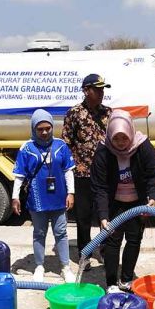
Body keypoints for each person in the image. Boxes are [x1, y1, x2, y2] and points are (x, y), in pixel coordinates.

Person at [91, 109, 155, 293]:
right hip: (114, 203)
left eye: (124, 138)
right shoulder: (103, 150)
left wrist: (152, 198)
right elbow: (100, 187)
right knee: (112, 241)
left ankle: (126, 279)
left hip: (137, 202)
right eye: (116, 138)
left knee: (134, 239)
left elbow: (152, 176)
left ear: (130, 132)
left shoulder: (143, 146)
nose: (121, 143)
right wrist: (103, 216)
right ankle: (112, 282)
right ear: (110, 135)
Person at [12, 109, 76, 283]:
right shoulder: (26, 148)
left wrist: (71, 193)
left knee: (61, 232)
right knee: (39, 232)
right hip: (37, 198)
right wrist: (15, 197)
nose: (45, 132)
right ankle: (39, 266)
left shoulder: (61, 145)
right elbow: (19, 175)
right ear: (34, 129)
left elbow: (68, 171)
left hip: (59, 197)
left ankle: (65, 267)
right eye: (40, 129)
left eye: (48, 128)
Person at [62, 74, 112, 267]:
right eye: (97, 89)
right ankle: (85, 254)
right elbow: (67, 143)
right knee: (83, 217)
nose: (101, 93)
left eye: (102, 89)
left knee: (105, 215)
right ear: (86, 90)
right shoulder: (74, 113)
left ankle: (106, 250)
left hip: (105, 174)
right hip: (82, 175)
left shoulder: (108, 113)